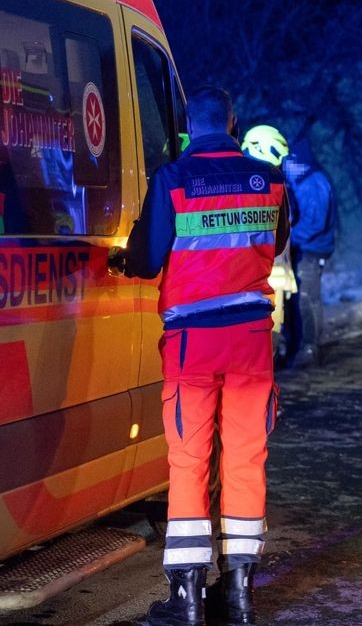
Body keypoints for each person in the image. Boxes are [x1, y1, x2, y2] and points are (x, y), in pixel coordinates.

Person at [113, 87, 290, 626]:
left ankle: (186, 600)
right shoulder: (272, 180)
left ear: (191, 125)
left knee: (189, 463)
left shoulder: (171, 179)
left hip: (192, 344)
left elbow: (146, 260)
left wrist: (123, 260)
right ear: (233, 124)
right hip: (252, 341)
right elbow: (278, 243)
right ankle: (238, 595)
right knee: (245, 460)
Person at [241, 124, 297, 366]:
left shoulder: (250, 184)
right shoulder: (272, 187)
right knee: (265, 344)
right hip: (267, 278)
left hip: (265, 277)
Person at [280, 138, 338, 368]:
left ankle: (309, 349)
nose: (284, 166)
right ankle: (300, 346)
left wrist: (285, 238)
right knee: (298, 299)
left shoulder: (312, 183)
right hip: (303, 249)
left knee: (306, 299)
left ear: (298, 162)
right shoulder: (301, 180)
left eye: (288, 161)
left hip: (310, 251)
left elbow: (315, 224)